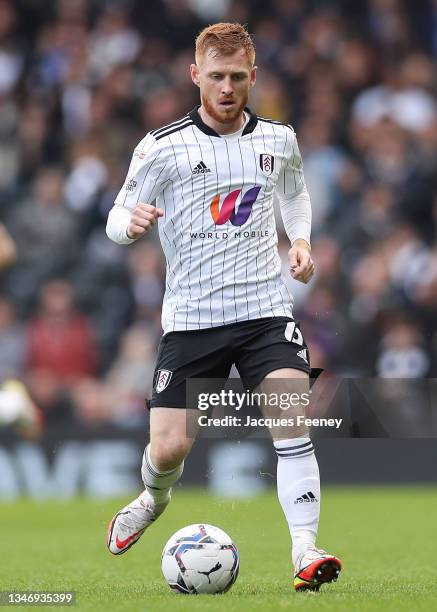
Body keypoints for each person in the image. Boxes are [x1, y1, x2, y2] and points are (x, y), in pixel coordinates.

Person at [106, 23, 341, 592]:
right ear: (195, 76)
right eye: (216, 76)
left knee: (291, 421)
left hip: (264, 310)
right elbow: (116, 216)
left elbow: (295, 193)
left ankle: (305, 552)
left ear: (254, 76)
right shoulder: (162, 147)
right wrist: (130, 226)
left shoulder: (279, 139)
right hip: (192, 320)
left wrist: (302, 240)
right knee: (167, 449)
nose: (228, 87)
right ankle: (153, 498)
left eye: (238, 76)